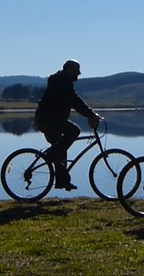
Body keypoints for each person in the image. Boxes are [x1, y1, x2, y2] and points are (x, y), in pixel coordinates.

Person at [34, 59, 103, 191]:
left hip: (47, 119)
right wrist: (90, 114)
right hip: (50, 120)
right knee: (74, 131)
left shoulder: (61, 80)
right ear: (70, 69)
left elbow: (73, 100)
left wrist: (89, 113)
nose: (79, 73)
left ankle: (62, 182)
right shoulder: (63, 82)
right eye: (77, 70)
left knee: (61, 149)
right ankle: (51, 156)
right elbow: (74, 100)